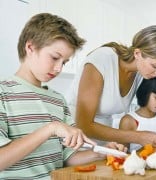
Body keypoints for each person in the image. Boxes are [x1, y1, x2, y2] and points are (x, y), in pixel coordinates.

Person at [0, 13, 125, 179]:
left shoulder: (58, 100)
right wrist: (50, 129)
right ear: (30, 48)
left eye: (64, 62)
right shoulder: (3, 94)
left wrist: (102, 153)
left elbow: (67, 158)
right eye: (54, 58)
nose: (59, 68)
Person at [67, 25, 156, 148]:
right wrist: (137, 137)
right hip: (75, 141)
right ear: (137, 54)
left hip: (104, 144)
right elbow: (84, 125)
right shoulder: (102, 60)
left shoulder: (144, 71)